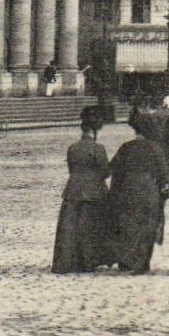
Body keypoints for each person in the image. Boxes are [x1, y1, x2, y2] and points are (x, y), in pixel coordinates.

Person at [96, 111, 169, 274]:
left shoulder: (126, 147)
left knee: (128, 224)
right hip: (148, 189)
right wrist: (163, 193)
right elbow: (164, 175)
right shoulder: (155, 148)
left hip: (128, 188)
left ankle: (126, 261)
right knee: (147, 225)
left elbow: (113, 168)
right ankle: (142, 263)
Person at [52, 114, 110, 274]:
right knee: (90, 227)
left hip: (73, 190)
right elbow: (105, 171)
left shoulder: (73, 148)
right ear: (94, 131)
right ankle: (88, 260)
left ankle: (68, 261)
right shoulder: (97, 148)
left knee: (70, 227)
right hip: (93, 192)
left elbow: (71, 169)